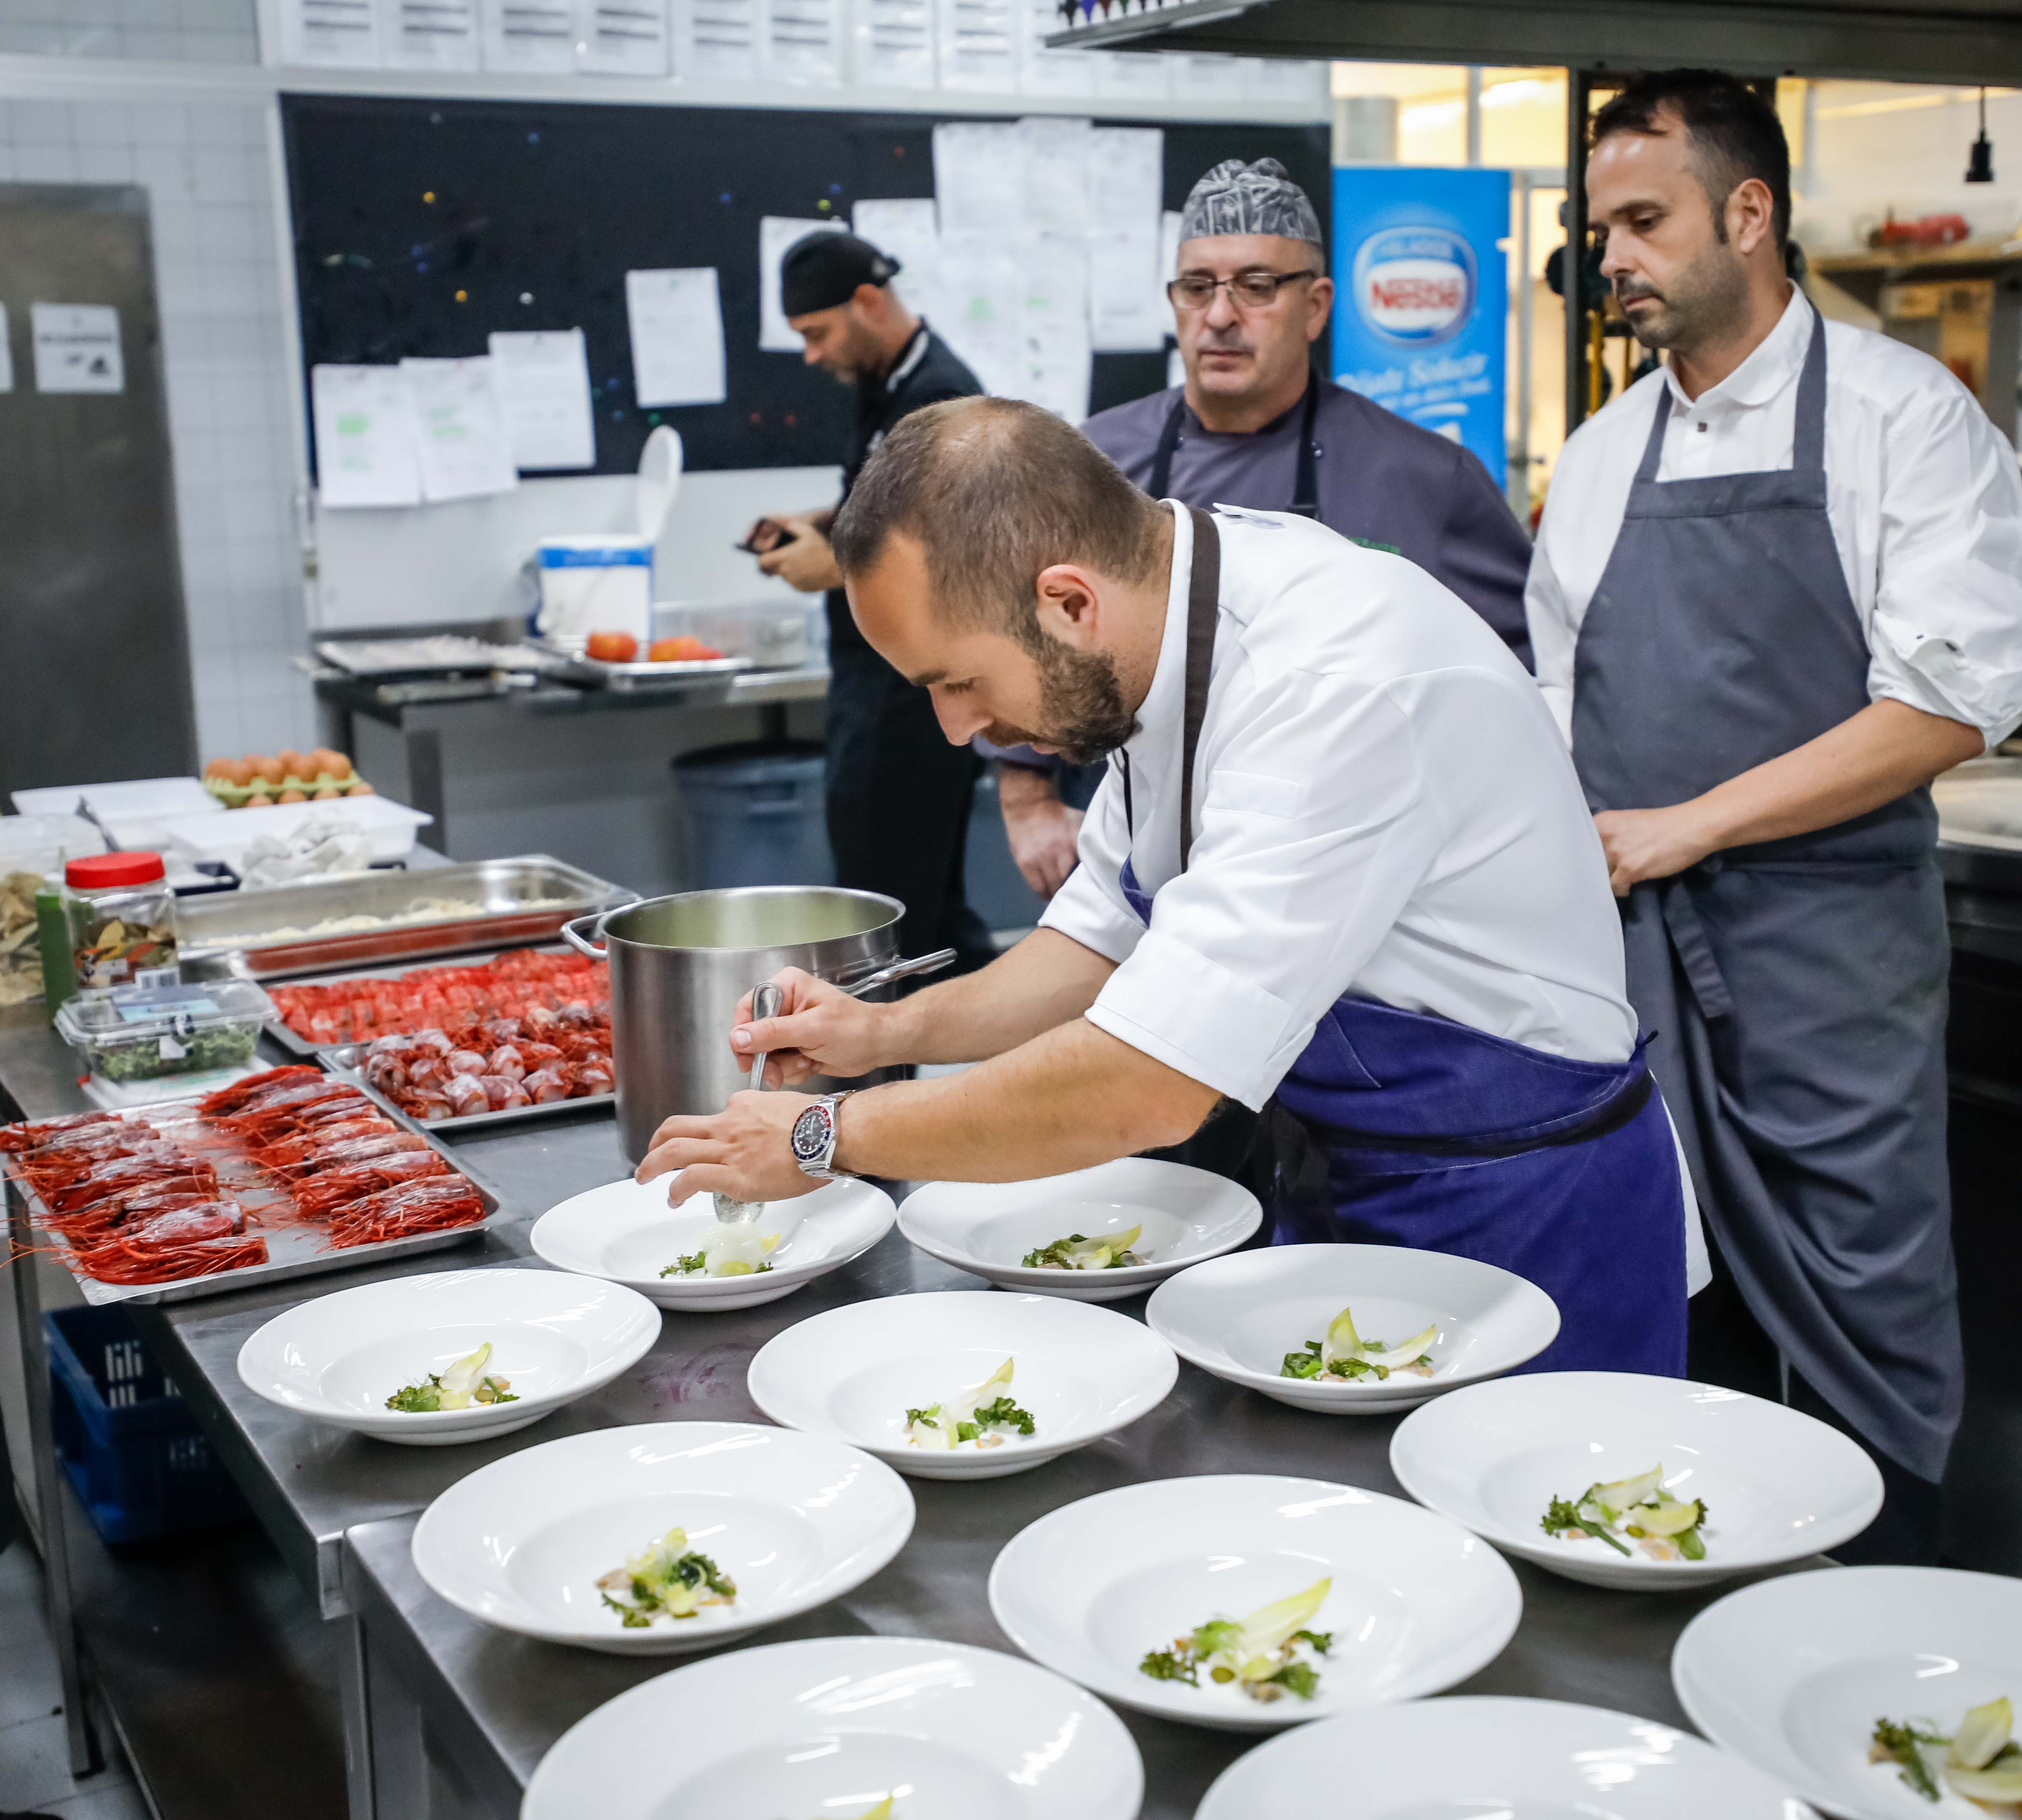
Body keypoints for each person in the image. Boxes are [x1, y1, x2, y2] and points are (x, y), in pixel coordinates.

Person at [644, 397, 1706, 1374]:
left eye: (956, 682)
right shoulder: (1161, 636)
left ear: (1067, 601)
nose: (957, 731)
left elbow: (1145, 1083)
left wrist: (827, 1137)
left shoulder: (1334, 685)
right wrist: (881, 1036)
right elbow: (1099, 944)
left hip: (1528, 1213)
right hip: (1361, 1190)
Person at [1526, 70, 2022, 1562]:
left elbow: (1953, 699)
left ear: (1749, 214)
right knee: (1666, 1317)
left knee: (1862, 1319)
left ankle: (1875, 1664)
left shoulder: (1904, 417)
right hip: (1630, 973)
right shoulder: (1608, 453)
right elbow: (1554, 719)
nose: (1610, 257)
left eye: (1643, 220)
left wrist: (1691, 823)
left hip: (1832, 971)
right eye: (1599, 225)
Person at [989, 155, 1538, 900]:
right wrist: (1028, 799)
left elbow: (1518, 685)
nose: (1220, 316)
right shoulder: (1090, 461)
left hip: (1353, 875)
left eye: (1255, 287)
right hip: (1130, 864)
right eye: (1197, 288)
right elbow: (1018, 639)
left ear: (1315, 305)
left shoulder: (1424, 479)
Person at [743, 229, 996, 973]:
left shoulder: (939, 396)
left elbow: (949, 552)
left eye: (818, 334)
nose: (812, 356)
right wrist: (819, 523)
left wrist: (834, 567)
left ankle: (889, 1081)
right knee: (917, 909)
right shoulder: (882, 385)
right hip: (871, 688)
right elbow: (887, 511)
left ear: (867, 302)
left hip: (911, 702)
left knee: (890, 919)